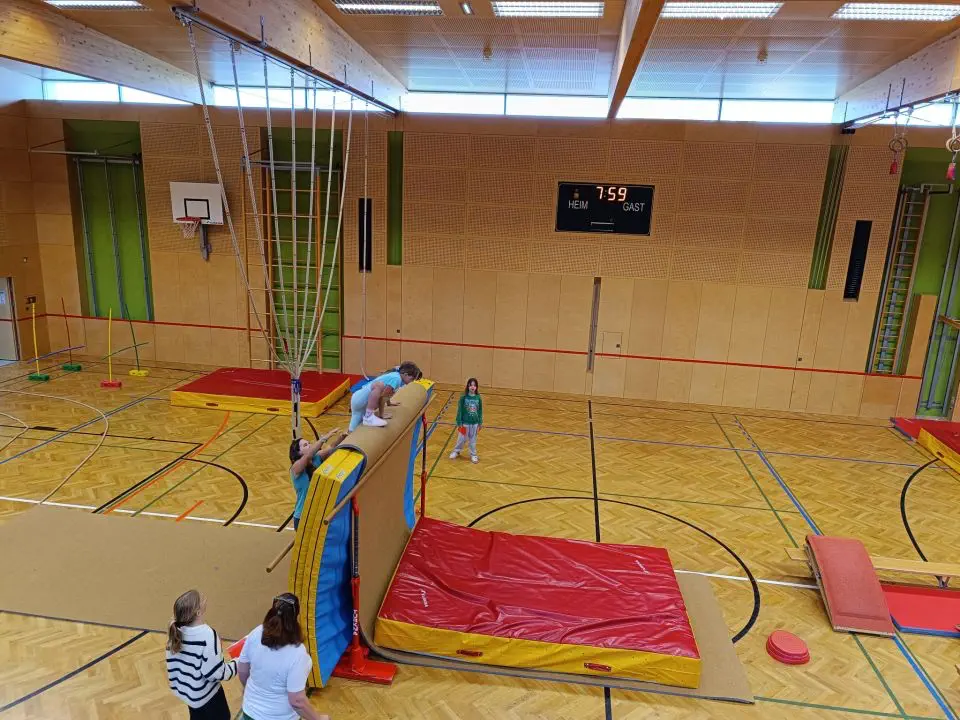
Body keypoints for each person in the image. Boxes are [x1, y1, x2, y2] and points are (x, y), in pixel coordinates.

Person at [237, 593, 329, 720]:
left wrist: (249, 690)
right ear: (295, 618)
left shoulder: (256, 632)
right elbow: (297, 701)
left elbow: (242, 670)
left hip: (249, 712)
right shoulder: (298, 653)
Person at [166, 589, 237, 720]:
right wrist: (237, 663)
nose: (205, 598)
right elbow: (216, 673)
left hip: (191, 696)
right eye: (201, 599)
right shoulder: (208, 635)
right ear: (198, 612)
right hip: (208, 697)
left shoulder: (175, 632)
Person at [289, 429, 346, 530]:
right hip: (303, 516)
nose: (309, 445)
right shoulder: (296, 468)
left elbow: (332, 447)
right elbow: (308, 456)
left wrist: (342, 437)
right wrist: (324, 438)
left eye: (309, 443)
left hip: (319, 513)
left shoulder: (316, 458)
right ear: (298, 452)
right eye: (305, 445)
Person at [347, 360, 421, 432]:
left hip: (359, 400)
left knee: (353, 430)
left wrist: (389, 403)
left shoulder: (395, 375)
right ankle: (369, 416)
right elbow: (382, 398)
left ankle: (342, 439)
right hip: (361, 400)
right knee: (379, 386)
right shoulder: (397, 379)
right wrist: (381, 414)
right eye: (412, 379)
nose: (412, 381)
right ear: (405, 375)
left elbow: (387, 393)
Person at [450, 377, 483, 464]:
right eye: (471, 385)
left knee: (473, 440)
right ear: (468, 386)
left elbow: (480, 411)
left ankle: (473, 455)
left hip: (474, 424)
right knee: (461, 439)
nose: (472, 387)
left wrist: (480, 422)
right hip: (465, 423)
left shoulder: (478, 398)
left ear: (476, 387)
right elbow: (460, 410)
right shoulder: (463, 397)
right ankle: (456, 451)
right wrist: (459, 422)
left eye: (474, 385)